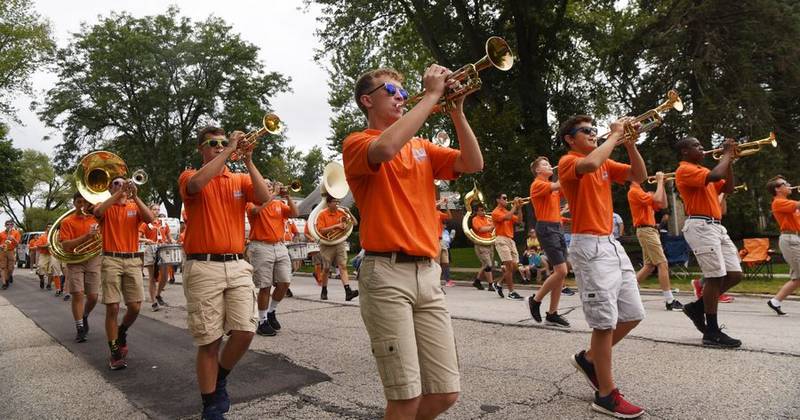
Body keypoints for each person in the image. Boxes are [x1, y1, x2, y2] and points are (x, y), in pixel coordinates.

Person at [342, 66, 483, 419]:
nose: (401, 96)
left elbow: (472, 163)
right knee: (405, 397)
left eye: (404, 91)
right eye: (390, 89)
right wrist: (433, 94)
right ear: (367, 100)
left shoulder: (422, 146)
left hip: (427, 273)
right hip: (385, 274)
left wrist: (457, 110)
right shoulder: (357, 142)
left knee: (445, 393)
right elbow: (386, 147)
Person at [179, 126, 271, 419]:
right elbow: (196, 186)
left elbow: (264, 196)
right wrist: (231, 148)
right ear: (201, 148)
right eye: (213, 143)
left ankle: (217, 379)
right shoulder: (190, 175)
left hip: (237, 263)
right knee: (210, 340)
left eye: (222, 142)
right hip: (203, 265)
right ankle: (211, 406)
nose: (219, 147)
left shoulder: (239, 178)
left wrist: (248, 159)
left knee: (245, 330)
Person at [558, 114, 647, 418]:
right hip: (588, 246)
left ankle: (589, 359)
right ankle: (606, 395)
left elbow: (639, 175)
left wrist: (631, 143)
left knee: (633, 314)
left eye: (595, 130)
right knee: (604, 322)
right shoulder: (568, 161)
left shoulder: (605, 160)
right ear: (571, 139)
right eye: (586, 131)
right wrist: (614, 135)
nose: (593, 134)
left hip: (610, 243)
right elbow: (591, 164)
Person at [675, 136, 742, 348]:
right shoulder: (685, 169)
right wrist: (727, 155)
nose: (702, 149)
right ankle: (711, 332)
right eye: (697, 146)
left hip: (716, 226)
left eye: (702, 145)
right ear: (685, 151)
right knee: (715, 277)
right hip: (700, 225)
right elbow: (715, 174)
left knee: (734, 274)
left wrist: (729, 161)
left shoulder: (703, 173)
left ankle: (697, 308)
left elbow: (729, 188)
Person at [93, 175, 155, 370]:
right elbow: (98, 211)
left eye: (124, 183)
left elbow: (150, 218)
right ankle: (114, 352)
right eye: (117, 184)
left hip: (132, 259)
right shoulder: (105, 205)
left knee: (135, 307)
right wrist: (119, 194)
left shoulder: (133, 206)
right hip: (111, 259)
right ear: (110, 189)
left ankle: (122, 332)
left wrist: (135, 196)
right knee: (112, 307)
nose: (122, 186)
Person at [245, 181, 298, 337]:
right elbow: (256, 212)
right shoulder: (251, 203)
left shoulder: (279, 204)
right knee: (265, 286)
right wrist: (273, 194)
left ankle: (271, 311)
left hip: (279, 245)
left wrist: (288, 197)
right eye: (265, 185)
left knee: (284, 282)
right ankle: (262, 321)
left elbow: (295, 213)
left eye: (270, 185)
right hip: (261, 246)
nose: (269, 187)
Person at [627, 172, 684, 311]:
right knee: (662, 263)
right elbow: (658, 199)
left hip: (650, 230)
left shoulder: (641, 191)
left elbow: (662, 203)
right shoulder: (634, 191)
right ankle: (670, 301)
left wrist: (662, 184)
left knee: (649, 266)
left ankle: (626, 292)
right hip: (646, 230)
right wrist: (659, 182)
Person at [528, 156, 570, 327]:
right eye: (545, 165)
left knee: (561, 273)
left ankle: (552, 313)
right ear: (538, 170)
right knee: (561, 271)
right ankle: (535, 300)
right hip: (546, 228)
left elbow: (565, 190)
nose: (550, 166)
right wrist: (567, 167)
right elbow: (559, 184)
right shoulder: (538, 184)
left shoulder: (551, 187)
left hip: (557, 227)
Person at [60, 192, 102, 342]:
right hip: (75, 260)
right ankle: (79, 327)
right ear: (74, 203)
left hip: (92, 258)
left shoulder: (95, 219)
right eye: (79, 202)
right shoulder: (67, 222)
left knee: (93, 296)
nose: (82, 205)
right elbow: (65, 246)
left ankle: (84, 315)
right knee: (78, 294)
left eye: (85, 202)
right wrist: (87, 236)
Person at [765, 176, 800, 315]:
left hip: (795, 238)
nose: (790, 185)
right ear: (777, 189)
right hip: (790, 240)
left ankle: (775, 301)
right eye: (785, 184)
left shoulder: (788, 203)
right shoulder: (778, 202)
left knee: (797, 278)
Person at [315, 196, 359, 301]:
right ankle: (324, 290)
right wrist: (336, 226)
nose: (337, 203)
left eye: (338, 201)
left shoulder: (342, 212)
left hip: (339, 242)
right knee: (326, 268)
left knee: (342, 266)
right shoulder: (322, 214)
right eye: (335, 201)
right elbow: (321, 230)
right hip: (327, 244)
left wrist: (349, 213)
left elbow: (355, 223)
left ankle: (348, 291)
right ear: (328, 203)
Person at [491, 193, 524, 300]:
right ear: (498, 200)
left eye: (506, 198)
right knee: (509, 266)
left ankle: (499, 283)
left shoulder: (507, 211)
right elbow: (508, 217)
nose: (506, 200)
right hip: (501, 239)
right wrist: (515, 205)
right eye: (504, 198)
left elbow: (519, 221)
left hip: (510, 240)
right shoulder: (496, 212)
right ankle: (511, 292)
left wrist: (519, 208)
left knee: (514, 266)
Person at [139, 204, 172, 311]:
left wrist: (173, 242)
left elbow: (169, 238)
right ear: (150, 210)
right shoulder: (145, 224)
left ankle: (158, 295)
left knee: (165, 276)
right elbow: (137, 237)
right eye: (154, 209)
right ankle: (153, 302)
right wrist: (147, 240)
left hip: (162, 249)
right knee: (152, 278)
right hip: (151, 249)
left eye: (158, 209)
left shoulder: (163, 223)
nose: (156, 211)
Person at [470, 203, 494, 291]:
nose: (483, 212)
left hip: (489, 243)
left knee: (486, 265)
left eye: (484, 210)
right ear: (476, 212)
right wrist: (492, 227)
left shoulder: (488, 219)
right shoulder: (475, 219)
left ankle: (477, 281)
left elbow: (493, 228)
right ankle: (491, 285)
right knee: (488, 265)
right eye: (481, 210)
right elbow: (480, 229)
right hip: (481, 244)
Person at [436, 197, 454, 287]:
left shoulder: (438, 213)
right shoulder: (429, 212)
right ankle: (435, 282)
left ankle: (447, 280)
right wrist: (440, 202)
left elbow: (449, 217)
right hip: (434, 240)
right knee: (437, 263)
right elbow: (433, 206)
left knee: (445, 262)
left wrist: (446, 205)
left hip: (441, 240)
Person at [0, 220, 21, 289]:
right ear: (5, 225)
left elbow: (18, 244)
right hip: (3, 251)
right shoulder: (1, 233)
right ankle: (4, 283)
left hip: (11, 251)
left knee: (10, 268)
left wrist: (13, 238)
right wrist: (1, 246)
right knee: (3, 267)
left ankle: (8, 277)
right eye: (7, 224)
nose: (9, 225)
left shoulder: (16, 233)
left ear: (13, 226)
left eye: (11, 224)